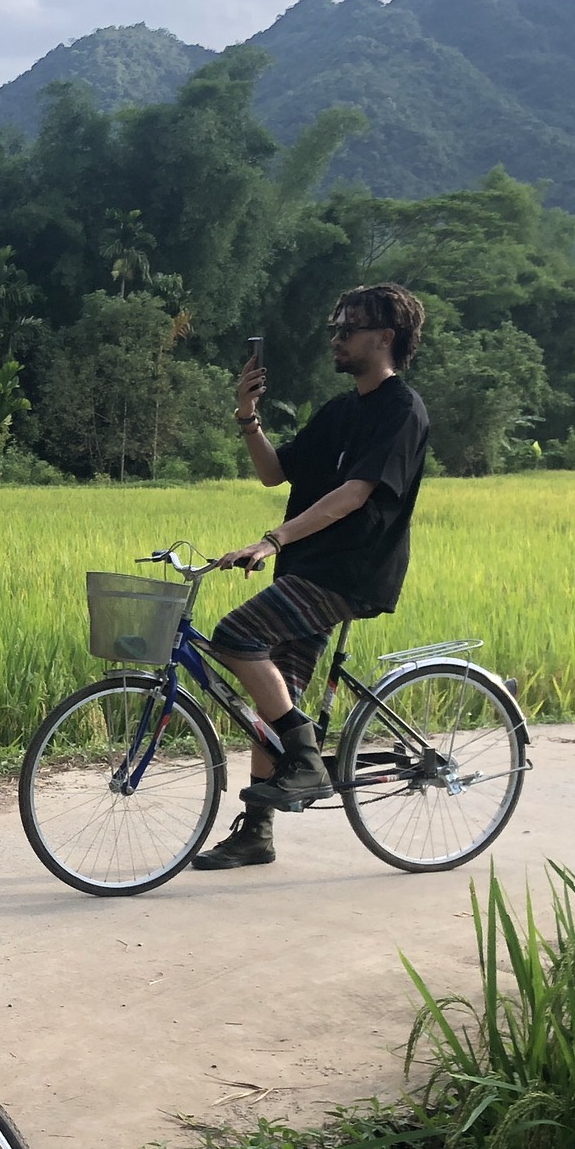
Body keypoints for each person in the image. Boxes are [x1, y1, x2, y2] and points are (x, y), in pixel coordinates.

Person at [191, 284, 432, 872]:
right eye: (337, 327)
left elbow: (355, 495)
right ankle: (258, 833)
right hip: (309, 568)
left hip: (350, 571)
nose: (338, 338)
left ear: (385, 337)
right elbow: (276, 474)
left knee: (236, 635)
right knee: (277, 700)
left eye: (349, 329)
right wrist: (248, 416)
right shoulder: (340, 411)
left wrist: (272, 540)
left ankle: (306, 761)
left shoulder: (402, 411)